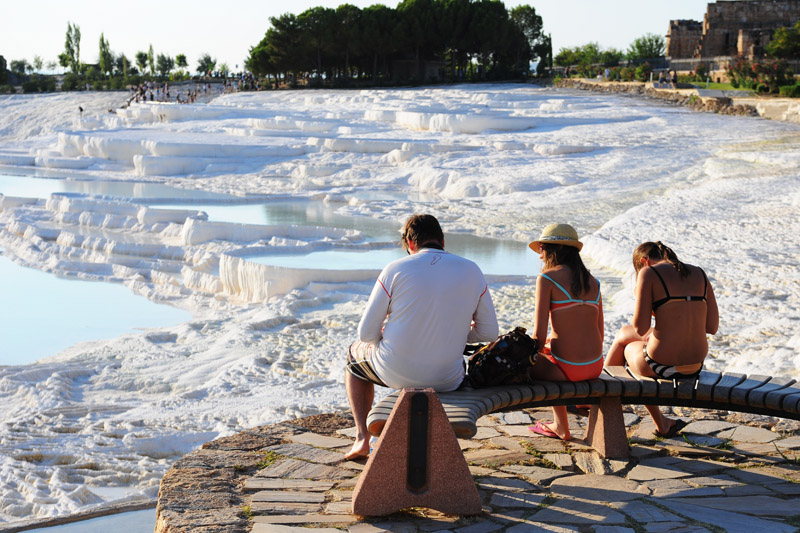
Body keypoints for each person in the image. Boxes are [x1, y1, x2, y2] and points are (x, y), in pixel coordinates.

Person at [344, 214, 499, 460]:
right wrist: (456, 333)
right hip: (447, 378)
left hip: (395, 372)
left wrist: (390, 337)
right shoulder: (472, 269)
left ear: (409, 243)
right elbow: (489, 333)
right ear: (443, 241)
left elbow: (366, 334)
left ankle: (362, 437)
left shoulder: (395, 269)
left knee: (354, 356)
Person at [605, 241, 719, 437]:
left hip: (660, 365)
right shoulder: (699, 273)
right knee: (625, 332)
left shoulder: (649, 273)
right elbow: (712, 328)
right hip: (694, 366)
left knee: (627, 344)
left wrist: (644, 297)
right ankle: (662, 423)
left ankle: (599, 398)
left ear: (644, 262)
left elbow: (640, 328)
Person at [526, 224, 604, 441]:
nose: (540, 255)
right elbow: (600, 332)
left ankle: (561, 426)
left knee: (525, 362)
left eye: (541, 248)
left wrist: (532, 359)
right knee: (553, 349)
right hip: (595, 366)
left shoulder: (547, 279)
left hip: (569, 370)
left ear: (552, 249)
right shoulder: (594, 282)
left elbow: (538, 337)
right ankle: (575, 406)